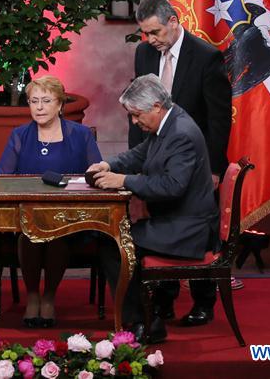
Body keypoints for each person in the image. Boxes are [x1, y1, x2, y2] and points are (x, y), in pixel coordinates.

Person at [87, 74, 219, 344]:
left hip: (187, 228)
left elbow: (172, 186)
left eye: (136, 115)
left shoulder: (181, 134)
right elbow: (140, 154)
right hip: (176, 221)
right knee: (114, 238)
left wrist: (122, 181)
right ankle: (147, 315)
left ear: (157, 107)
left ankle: (142, 323)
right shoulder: (169, 123)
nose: (135, 122)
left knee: (114, 244)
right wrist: (109, 165)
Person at [130, 0, 233, 326]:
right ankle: (163, 303)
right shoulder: (144, 53)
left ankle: (204, 303)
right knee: (162, 224)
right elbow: (140, 108)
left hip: (196, 162)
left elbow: (218, 119)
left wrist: (215, 167)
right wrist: (133, 165)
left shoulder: (206, 57)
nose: (151, 40)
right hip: (156, 157)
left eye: (156, 32)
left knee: (195, 226)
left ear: (173, 21)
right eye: (145, 33)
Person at [0, 75, 102, 328]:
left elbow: (96, 174)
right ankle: (33, 296)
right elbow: (2, 177)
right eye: (34, 101)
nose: (39, 107)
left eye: (46, 101)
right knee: (30, 235)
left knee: (57, 236)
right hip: (27, 216)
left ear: (60, 105)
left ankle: (49, 297)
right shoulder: (20, 135)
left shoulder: (81, 135)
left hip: (71, 217)